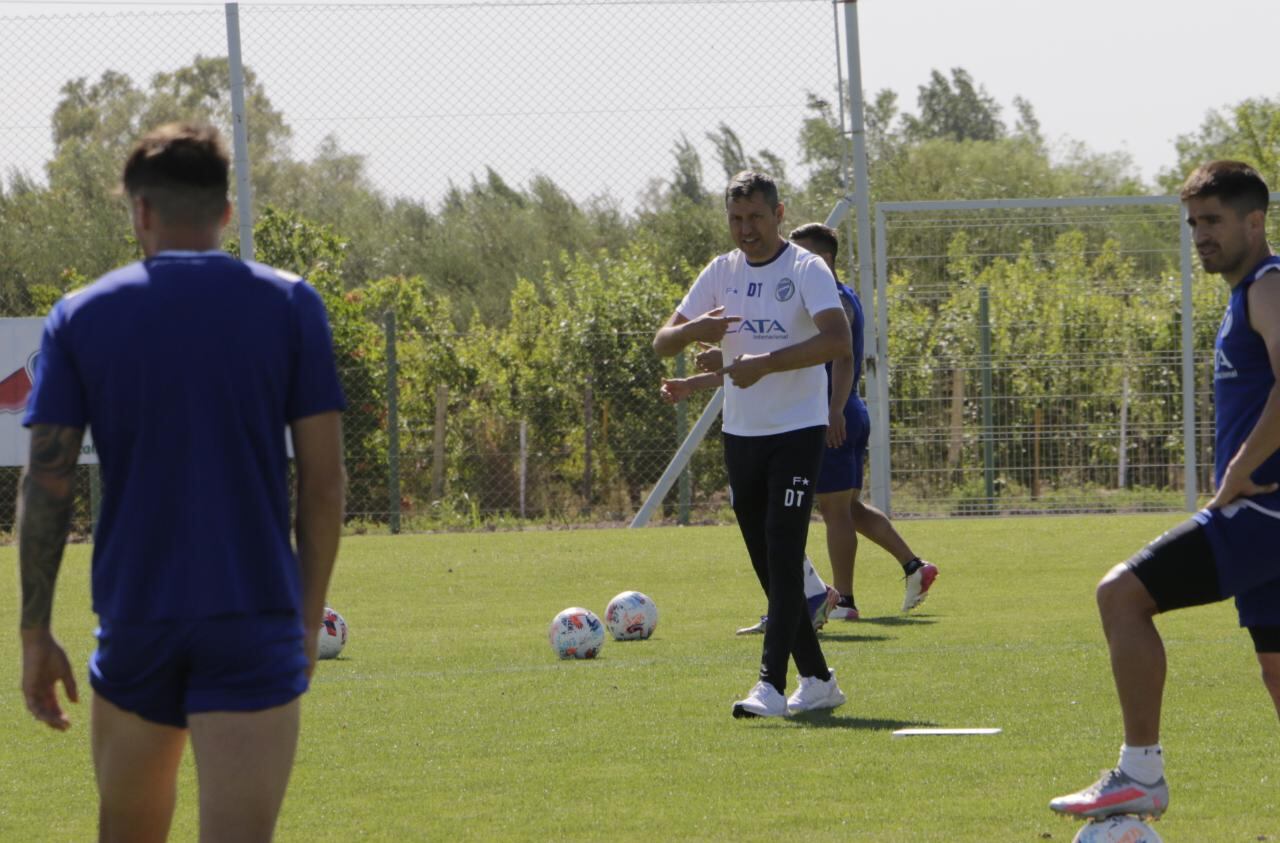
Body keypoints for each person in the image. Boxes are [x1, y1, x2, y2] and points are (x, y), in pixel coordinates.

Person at [17, 122, 347, 843]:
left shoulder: (81, 315)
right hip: (254, 615)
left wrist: (35, 630)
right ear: (225, 213)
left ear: (139, 211)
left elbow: (48, 483)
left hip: (138, 619)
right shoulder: (291, 305)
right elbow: (323, 484)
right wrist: (305, 616)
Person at [1050, 160, 1280, 821]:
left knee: (1121, 595)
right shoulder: (1250, 293)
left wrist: (1237, 471)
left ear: (1254, 221)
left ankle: (1141, 772)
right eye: (1193, 223)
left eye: (1214, 220)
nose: (1201, 234)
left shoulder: (1268, 286)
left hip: (1262, 509)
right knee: (1276, 669)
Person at [654, 170, 851, 719]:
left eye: (756, 218)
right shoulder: (721, 272)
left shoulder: (806, 269)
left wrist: (763, 363)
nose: (746, 230)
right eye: (736, 220)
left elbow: (837, 340)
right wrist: (697, 332)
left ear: (779, 214)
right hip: (743, 436)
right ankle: (816, 679)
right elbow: (662, 340)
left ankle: (769, 684)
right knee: (770, 563)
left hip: (797, 430)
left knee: (784, 550)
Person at [668, 222, 937, 621]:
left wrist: (833, 412)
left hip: (829, 412)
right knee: (846, 508)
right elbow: (764, 360)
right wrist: (699, 379)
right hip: (830, 411)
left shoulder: (835, 300)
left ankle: (838, 599)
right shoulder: (814, 295)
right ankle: (913, 567)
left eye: (802, 255)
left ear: (823, 259)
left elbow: (839, 356)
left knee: (830, 512)